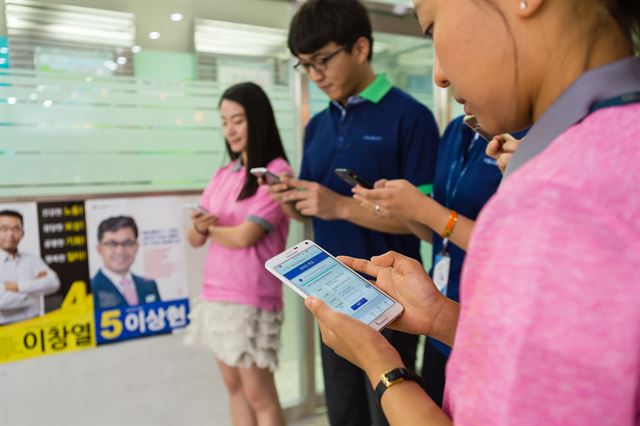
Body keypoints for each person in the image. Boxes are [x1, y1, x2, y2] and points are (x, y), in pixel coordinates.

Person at [303, 0, 640, 424]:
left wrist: (380, 365)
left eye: (432, 29)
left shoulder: (561, 193)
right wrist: (444, 318)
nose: (439, 75)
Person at [269, 1, 439, 424]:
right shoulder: (318, 127)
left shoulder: (410, 117)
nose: (314, 75)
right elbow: (313, 207)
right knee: (342, 412)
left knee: (390, 411)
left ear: (360, 48)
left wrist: (340, 206)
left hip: (392, 303)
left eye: (322, 60)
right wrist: (292, 201)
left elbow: (426, 224)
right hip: (327, 295)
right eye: (304, 66)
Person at [353, 117, 526, 406]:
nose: (441, 77)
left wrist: (424, 208)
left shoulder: (532, 139)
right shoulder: (458, 129)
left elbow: (511, 247)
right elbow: (434, 234)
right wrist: (404, 209)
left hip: (491, 321)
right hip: (438, 309)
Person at [183, 82, 291, 426]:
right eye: (224, 121)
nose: (229, 129)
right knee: (233, 388)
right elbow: (193, 237)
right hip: (215, 295)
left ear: (257, 121)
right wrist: (201, 228)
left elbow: (245, 236)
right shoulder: (224, 173)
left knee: (260, 394)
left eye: (238, 120)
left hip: (251, 298)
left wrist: (207, 227)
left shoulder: (276, 173)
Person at [0, 210, 60, 325]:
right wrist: (36, 292)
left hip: (35, 325)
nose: (10, 234)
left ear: (23, 232)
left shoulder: (32, 259)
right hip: (4, 329)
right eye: (4, 229)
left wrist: (16, 287)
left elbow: (54, 283)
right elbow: (2, 301)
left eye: (16, 229)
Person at [91, 215, 161, 310]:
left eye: (127, 243)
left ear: (136, 247)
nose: (120, 251)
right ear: (99, 249)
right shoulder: (90, 290)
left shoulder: (149, 285)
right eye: (112, 244)